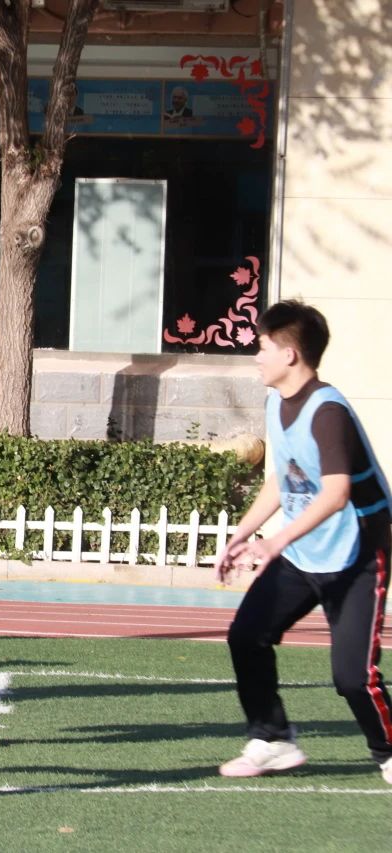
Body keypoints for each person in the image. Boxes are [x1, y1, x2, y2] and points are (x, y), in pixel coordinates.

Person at [214, 301, 392, 786]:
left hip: (356, 555)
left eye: (262, 347)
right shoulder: (276, 402)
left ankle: (387, 750)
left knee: (353, 677)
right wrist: (241, 534)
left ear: (290, 354)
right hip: (303, 550)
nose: (256, 356)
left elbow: (336, 494)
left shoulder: (328, 412)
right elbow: (284, 477)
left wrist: (274, 543)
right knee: (247, 635)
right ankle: (272, 739)